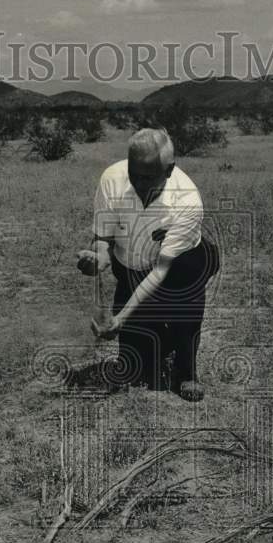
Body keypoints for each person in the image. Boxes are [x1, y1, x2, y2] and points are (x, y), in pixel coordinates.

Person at [76, 128, 219, 400]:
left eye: (148, 176)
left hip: (180, 266)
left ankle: (186, 370)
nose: (139, 183)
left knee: (184, 308)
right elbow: (103, 239)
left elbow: (160, 271)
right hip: (130, 267)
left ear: (169, 170)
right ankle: (159, 342)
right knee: (136, 369)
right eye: (134, 173)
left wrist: (121, 317)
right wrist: (99, 259)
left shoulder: (187, 201)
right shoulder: (112, 179)